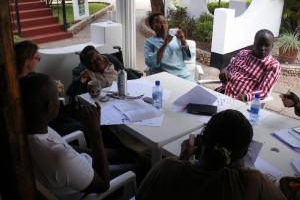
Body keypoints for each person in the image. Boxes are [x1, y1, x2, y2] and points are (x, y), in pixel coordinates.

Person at [20, 73, 145, 199]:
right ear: (50, 106)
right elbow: (103, 184)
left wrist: (94, 152)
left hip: (82, 167)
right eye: (57, 97)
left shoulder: (33, 130)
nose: (59, 100)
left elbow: (65, 146)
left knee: (127, 154)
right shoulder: (59, 158)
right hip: (96, 188)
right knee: (142, 169)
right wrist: (94, 132)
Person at [136, 109, 287, 200]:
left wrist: (182, 158)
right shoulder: (252, 182)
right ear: (243, 153)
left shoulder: (167, 167)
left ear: (201, 142)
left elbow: (140, 196)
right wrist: (241, 169)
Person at [14, 40, 84, 138]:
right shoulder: (29, 84)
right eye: (37, 58)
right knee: (86, 126)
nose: (39, 60)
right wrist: (53, 90)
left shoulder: (25, 80)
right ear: (27, 62)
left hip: (58, 117)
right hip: (54, 125)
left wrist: (52, 86)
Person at [215, 29, 281, 102]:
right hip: (221, 94)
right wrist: (224, 71)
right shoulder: (243, 53)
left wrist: (246, 96)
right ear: (254, 43)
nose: (262, 48)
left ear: (272, 46)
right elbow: (228, 70)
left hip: (237, 101)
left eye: (267, 45)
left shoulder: (272, 65)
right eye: (259, 44)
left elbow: (263, 91)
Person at [67, 45, 142, 97]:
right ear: (87, 65)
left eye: (98, 58)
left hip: (121, 95)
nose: (98, 62)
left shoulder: (111, 59)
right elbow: (69, 92)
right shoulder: (83, 72)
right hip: (100, 102)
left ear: (100, 54)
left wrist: (138, 83)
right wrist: (78, 81)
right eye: (92, 62)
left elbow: (125, 71)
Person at [144, 12, 194, 82]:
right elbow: (150, 62)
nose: (163, 25)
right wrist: (165, 44)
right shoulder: (149, 42)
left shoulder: (177, 38)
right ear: (152, 27)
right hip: (163, 78)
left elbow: (189, 57)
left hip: (183, 76)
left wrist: (183, 40)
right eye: (158, 23)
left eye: (164, 22)